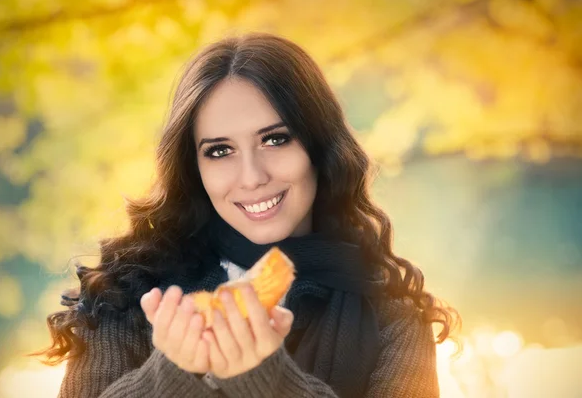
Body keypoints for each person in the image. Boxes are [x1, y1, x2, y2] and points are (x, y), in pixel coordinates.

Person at [36, 32, 459, 398]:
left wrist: (264, 377)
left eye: (275, 140)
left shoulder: (396, 321)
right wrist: (173, 373)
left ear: (318, 147)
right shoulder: (126, 294)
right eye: (220, 151)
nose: (252, 176)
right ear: (193, 167)